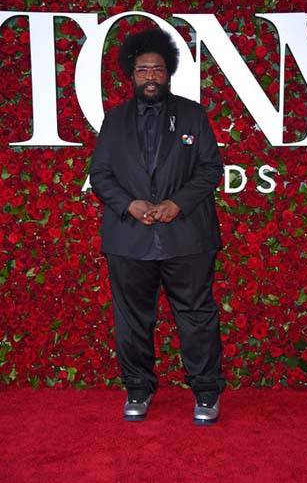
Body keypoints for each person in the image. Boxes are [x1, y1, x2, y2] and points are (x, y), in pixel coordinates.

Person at [89, 27, 226, 425]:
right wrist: (128, 205)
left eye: (158, 70)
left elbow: (210, 169)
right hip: (128, 239)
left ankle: (205, 392)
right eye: (143, 69)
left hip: (187, 237)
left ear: (169, 74)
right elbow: (100, 175)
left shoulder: (192, 114)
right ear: (131, 74)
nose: (151, 76)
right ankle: (138, 388)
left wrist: (175, 204)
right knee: (132, 319)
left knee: (197, 316)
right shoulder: (113, 120)